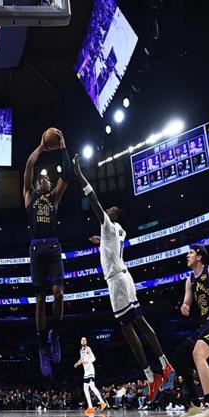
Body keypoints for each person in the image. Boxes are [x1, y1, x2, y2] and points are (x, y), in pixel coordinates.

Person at [73, 154, 175, 403]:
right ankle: (164, 365)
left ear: (113, 216)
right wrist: (101, 241)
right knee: (140, 322)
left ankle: (151, 376)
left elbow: (94, 200)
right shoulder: (119, 231)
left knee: (128, 330)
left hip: (117, 283)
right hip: (125, 278)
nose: (106, 212)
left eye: (110, 212)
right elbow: (111, 241)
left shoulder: (109, 225)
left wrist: (79, 174)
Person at [23, 128, 71, 377]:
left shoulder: (53, 199)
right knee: (40, 299)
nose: (43, 179)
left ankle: (56, 335)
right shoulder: (29, 196)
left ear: (51, 185)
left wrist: (62, 147)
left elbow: (68, 174)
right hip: (36, 247)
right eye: (40, 179)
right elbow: (29, 166)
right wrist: (42, 147)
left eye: (47, 179)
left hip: (52, 246)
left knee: (59, 294)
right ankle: (42, 346)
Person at [177, 244, 209, 417]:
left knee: (199, 353)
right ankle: (195, 405)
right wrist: (184, 306)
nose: (187, 256)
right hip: (206, 321)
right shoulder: (190, 280)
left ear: (199, 256)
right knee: (181, 354)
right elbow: (187, 300)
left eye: (190, 253)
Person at [74, 337, 106, 415]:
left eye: (85, 340)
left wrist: (87, 361)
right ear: (80, 342)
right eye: (82, 340)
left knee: (92, 387)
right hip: (86, 372)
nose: (83, 341)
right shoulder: (81, 350)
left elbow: (93, 358)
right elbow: (81, 359)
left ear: (86, 342)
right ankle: (90, 407)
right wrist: (77, 363)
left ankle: (102, 402)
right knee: (85, 388)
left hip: (90, 370)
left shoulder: (88, 348)